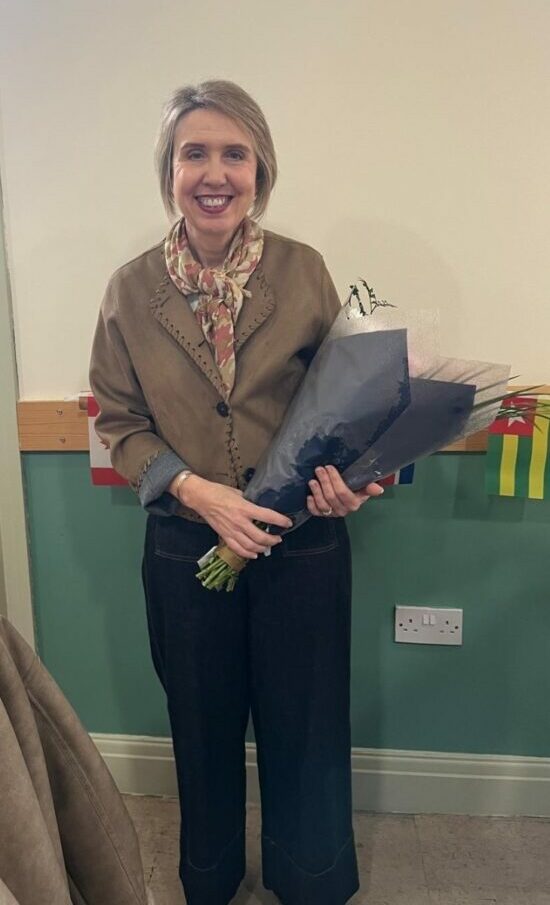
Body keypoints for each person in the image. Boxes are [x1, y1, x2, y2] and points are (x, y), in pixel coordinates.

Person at [89, 79, 383, 905]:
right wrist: (196, 492)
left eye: (235, 154)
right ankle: (211, 881)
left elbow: (345, 403)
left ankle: (311, 880)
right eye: (195, 153)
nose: (214, 173)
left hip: (303, 544)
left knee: (308, 729)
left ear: (260, 170)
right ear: (169, 171)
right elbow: (119, 420)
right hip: (186, 549)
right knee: (202, 726)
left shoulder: (304, 270)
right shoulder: (129, 289)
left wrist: (347, 482)